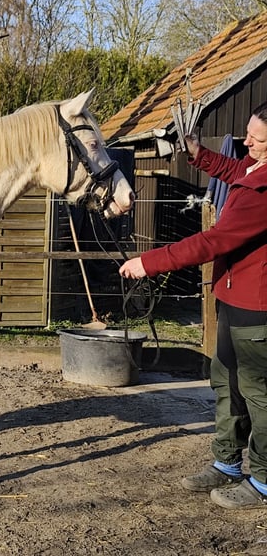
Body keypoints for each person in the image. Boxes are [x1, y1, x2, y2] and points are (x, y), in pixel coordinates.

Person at [119, 102, 267, 510]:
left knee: (258, 392)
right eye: (248, 132)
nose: (247, 142)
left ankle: (263, 480)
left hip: (257, 307)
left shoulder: (263, 194)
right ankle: (228, 463)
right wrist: (198, 154)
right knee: (226, 381)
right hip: (232, 295)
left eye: (257, 138)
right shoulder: (255, 167)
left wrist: (148, 263)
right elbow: (235, 170)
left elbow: (212, 241)